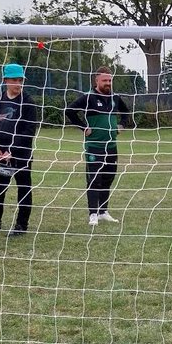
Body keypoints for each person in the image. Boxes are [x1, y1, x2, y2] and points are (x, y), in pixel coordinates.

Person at [65, 68, 131, 226]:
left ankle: (103, 211)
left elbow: (126, 112)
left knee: (108, 179)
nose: (108, 83)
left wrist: (122, 124)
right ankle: (93, 214)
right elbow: (70, 111)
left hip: (112, 147)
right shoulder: (88, 98)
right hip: (94, 146)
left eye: (109, 80)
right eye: (104, 80)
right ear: (96, 81)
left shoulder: (115, 97)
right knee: (95, 180)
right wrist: (83, 128)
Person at [0, 63, 40, 237]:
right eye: (14, 80)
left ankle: (21, 225)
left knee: (23, 188)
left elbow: (29, 132)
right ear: (5, 80)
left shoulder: (28, 102)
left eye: (20, 80)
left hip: (20, 154)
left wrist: (12, 151)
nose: (18, 83)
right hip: (0, 154)